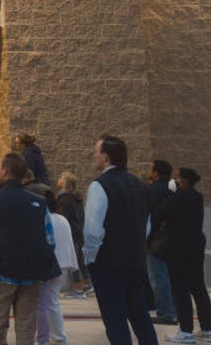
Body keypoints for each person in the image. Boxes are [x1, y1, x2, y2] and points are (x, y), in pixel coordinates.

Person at [0, 153, 59, 345]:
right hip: (31, 274)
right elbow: (50, 241)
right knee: (26, 327)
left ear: (4, 172)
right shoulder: (40, 202)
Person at [83, 134, 159, 345]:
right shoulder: (140, 185)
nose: (94, 156)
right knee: (140, 317)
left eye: (96, 152)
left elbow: (93, 230)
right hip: (136, 262)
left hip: (108, 264)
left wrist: (91, 258)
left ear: (106, 157)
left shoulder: (100, 185)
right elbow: (146, 225)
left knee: (115, 321)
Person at [151, 167, 211, 343]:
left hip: (178, 246)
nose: (173, 180)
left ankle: (186, 331)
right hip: (196, 244)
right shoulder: (197, 197)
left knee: (180, 289)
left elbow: (159, 214)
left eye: (176, 177)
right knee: (198, 287)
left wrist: (171, 193)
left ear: (183, 180)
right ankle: (207, 329)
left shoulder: (177, 196)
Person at [37, 187, 77, 345]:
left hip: (50, 264)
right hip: (63, 264)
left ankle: (56, 336)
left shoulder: (44, 219)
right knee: (52, 301)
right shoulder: (62, 219)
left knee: (46, 303)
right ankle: (56, 336)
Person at [146, 160, 178, 326]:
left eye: (150, 168)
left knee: (159, 278)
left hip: (157, 240)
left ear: (156, 172)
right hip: (175, 239)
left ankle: (166, 313)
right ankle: (175, 310)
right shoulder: (175, 190)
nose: (148, 171)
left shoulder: (153, 190)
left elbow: (149, 216)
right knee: (172, 277)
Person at [56, 171, 90, 298]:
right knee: (78, 259)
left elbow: (65, 218)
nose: (58, 179)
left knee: (74, 260)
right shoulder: (75, 198)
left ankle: (78, 288)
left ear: (65, 183)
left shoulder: (64, 199)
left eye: (61, 178)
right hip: (78, 231)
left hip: (72, 233)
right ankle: (85, 284)